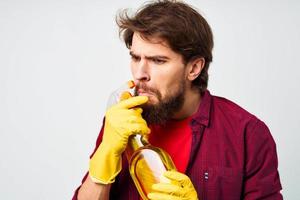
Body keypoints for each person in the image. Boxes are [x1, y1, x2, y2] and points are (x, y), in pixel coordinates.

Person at [73, 1, 283, 199]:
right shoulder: (122, 121)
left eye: (158, 60)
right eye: (136, 58)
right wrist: (105, 155)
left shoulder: (247, 134)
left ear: (193, 68)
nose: (140, 73)